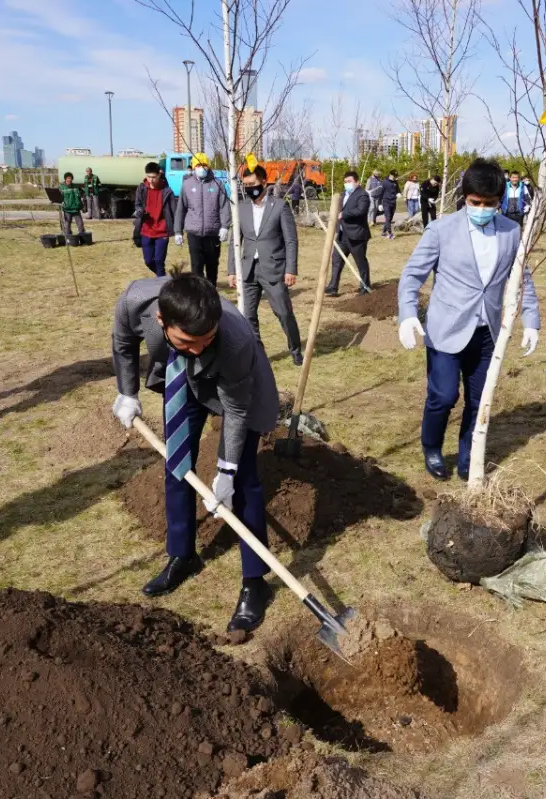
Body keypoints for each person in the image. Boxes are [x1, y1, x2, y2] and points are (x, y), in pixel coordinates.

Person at [111, 273, 280, 633]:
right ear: (161, 320)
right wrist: (127, 392)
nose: (200, 347)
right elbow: (123, 342)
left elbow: (236, 411)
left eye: (206, 340)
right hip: (181, 380)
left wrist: (226, 470)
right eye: (188, 341)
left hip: (238, 389)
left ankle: (255, 582)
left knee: (245, 480)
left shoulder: (234, 341)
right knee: (177, 464)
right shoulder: (135, 301)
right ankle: (182, 555)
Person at [397, 158, 541, 482]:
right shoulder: (441, 230)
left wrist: (531, 319)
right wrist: (407, 315)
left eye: (489, 203)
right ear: (465, 197)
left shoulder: (511, 231)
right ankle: (431, 446)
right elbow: (411, 276)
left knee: (480, 399)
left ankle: (468, 456)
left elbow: (523, 280)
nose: (482, 208)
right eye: (475, 202)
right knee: (444, 396)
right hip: (446, 329)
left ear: (499, 201)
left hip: (487, 331)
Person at [229, 165, 303, 365]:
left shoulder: (280, 206)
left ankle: (295, 350)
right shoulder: (241, 208)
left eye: (252, 184)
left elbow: (290, 241)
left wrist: (291, 269)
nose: (249, 188)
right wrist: (232, 270)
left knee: (283, 312)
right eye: (245, 185)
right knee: (247, 315)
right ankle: (258, 354)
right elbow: (235, 240)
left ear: (263, 182)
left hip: (274, 268)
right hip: (248, 270)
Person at [175, 152, 230, 285]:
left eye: (204, 165)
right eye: (198, 165)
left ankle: (211, 293)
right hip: (194, 233)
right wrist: (178, 231)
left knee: (212, 266)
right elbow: (181, 209)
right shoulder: (187, 185)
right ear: (194, 167)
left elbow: (224, 206)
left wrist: (225, 226)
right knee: (197, 266)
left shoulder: (218, 184)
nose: (202, 168)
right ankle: (198, 296)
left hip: (213, 233)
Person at [326, 170, 371, 297]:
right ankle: (333, 287)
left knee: (360, 262)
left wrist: (343, 214)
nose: (347, 184)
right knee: (336, 260)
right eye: (345, 182)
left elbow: (361, 211)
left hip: (356, 235)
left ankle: (365, 286)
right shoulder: (343, 194)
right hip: (342, 234)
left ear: (357, 182)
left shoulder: (362, 195)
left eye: (350, 181)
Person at [133, 162, 177, 277]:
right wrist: (139, 211)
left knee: (159, 261)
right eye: (149, 177)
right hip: (146, 230)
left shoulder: (167, 191)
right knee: (148, 261)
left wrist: (177, 230)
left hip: (162, 231)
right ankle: (164, 278)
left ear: (159, 175)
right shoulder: (141, 188)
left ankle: (161, 285)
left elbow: (174, 211)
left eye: (154, 177)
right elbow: (137, 204)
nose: (151, 180)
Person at [379, 171, 400, 240]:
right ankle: (390, 233)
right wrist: (379, 204)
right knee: (387, 217)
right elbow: (381, 193)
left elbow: (398, 190)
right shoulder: (384, 182)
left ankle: (383, 232)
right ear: (390, 175)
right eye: (394, 176)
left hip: (393, 202)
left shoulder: (395, 182)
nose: (395, 177)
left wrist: (399, 193)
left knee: (390, 218)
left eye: (396, 176)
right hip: (386, 202)